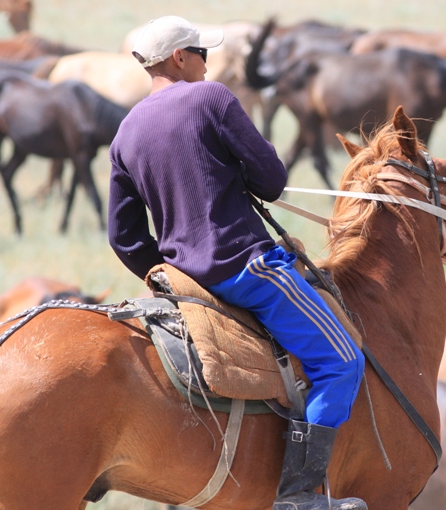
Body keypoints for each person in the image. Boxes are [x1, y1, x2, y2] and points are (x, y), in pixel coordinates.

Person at [107, 15, 367, 510]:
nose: (208, 62)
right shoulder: (212, 98)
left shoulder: (126, 132)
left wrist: (172, 273)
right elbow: (271, 181)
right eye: (201, 53)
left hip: (185, 283)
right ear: (179, 58)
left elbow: (124, 237)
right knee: (341, 362)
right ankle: (299, 496)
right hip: (249, 271)